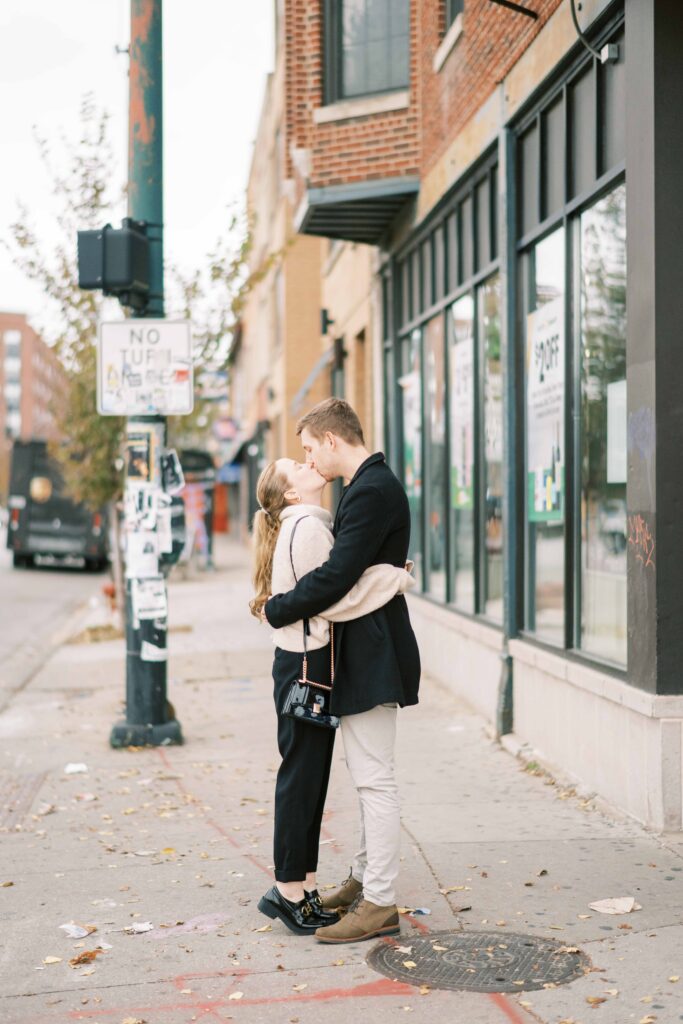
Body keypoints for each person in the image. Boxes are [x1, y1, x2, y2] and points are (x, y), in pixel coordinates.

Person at [265, 398, 421, 944]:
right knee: (366, 778)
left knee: (375, 780)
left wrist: (278, 606)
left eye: (310, 448)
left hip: (375, 656)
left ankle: (378, 901)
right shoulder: (363, 489)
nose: (309, 458)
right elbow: (350, 578)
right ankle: (363, 881)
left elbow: (335, 578)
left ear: (332, 441)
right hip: (364, 654)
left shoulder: (373, 490)